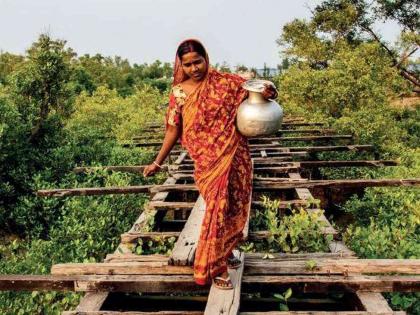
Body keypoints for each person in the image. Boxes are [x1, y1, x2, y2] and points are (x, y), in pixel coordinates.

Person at [143, 39, 277, 289]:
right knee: (216, 209)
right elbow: (173, 130)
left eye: (198, 62)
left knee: (234, 205)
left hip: (235, 153)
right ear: (180, 65)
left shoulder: (225, 82)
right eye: (188, 64)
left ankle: (225, 252)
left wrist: (267, 88)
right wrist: (157, 162)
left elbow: (255, 90)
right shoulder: (179, 93)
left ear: (206, 58)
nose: (194, 68)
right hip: (206, 159)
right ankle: (215, 268)